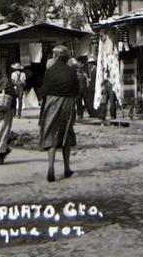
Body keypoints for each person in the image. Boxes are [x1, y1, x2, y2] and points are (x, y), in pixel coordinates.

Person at [38, 45, 79, 182]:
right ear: (66, 57)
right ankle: (67, 168)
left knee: (51, 134)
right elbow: (76, 90)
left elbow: (44, 90)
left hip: (52, 103)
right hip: (67, 104)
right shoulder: (71, 71)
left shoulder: (49, 71)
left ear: (55, 57)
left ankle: (51, 167)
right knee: (66, 133)